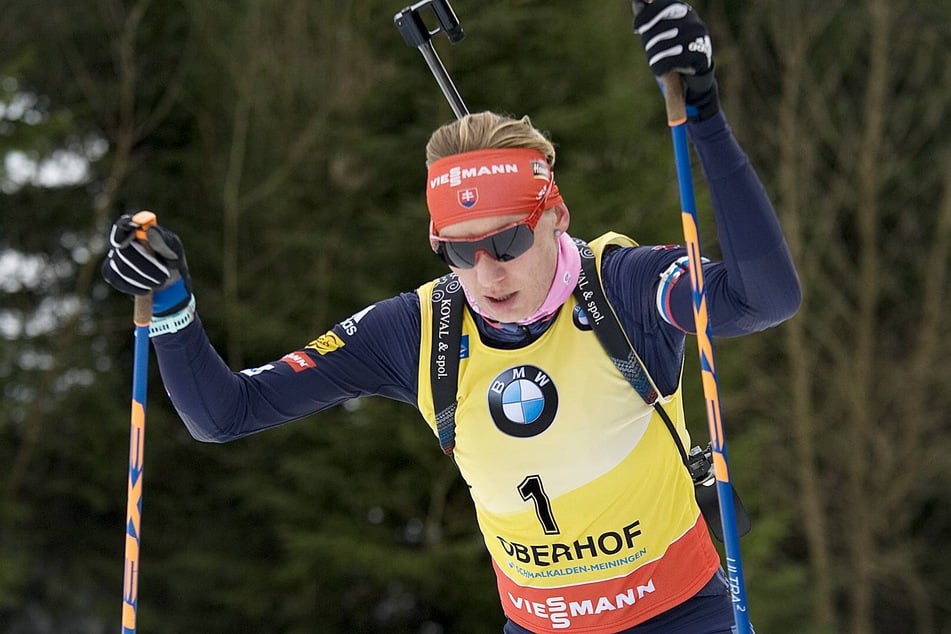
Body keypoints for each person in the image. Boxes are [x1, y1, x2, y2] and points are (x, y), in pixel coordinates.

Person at [101, 2, 799, 632]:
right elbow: (224, 414)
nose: (488, 273)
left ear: (555, 216)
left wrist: (701, 112)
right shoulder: (415, 330)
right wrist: (169, 306)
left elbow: (764, 299)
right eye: (459, 252)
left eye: (508, 241)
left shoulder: (624, 286)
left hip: (679, 617)